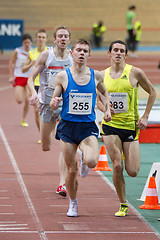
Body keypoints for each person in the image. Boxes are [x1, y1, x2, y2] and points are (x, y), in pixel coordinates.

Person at [50, 39, 111, 217]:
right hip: (67, 128)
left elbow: (104, 92)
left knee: (92, 161)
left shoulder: (96, 75)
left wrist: (107, 109)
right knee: (72, 170)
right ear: (72, 53)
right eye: (79, 50)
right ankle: (73, 203)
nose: (82, 53)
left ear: (89, 54)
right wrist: (54, 102)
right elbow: (54, 101)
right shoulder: (62, 76)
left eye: (85, 51)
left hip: (87, 127)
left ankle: (85, 156)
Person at [97, 40, 156, 217]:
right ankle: (123, 203)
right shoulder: (101, 75)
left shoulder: (135, 73)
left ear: (126, 55)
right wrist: (106, 109)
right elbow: (98, 101)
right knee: (116, 166)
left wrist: (145, 116)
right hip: (110, 127)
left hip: (130, 126)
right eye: (115, 50)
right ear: (109, 53)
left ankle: (125, 153)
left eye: (122, 50)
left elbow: (152, 92)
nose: (118, 53)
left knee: (132, 171)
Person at [27, 26, 73, 197]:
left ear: (69, 40)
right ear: (54, 39)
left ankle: (62, 184)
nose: (63, 38)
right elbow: (30, 79)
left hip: (66, 105)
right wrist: (33, 93)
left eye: (66, 36)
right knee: (46, 146)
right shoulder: (46, 55)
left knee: (65, 144)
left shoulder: (73, 56)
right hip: (46, 105)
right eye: (60, 36)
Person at [23, 29, 48, 141]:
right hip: (35, 85)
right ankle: (42, 136)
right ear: (36, 39)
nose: (41, 39)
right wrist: (30, 65)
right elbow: (23, 69)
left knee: (48, 111)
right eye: (39, 37)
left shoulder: (50, 52)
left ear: (46, 39)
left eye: (43, 37)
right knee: (36, 112)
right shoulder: (31, 53)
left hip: (47, 85)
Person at [9, 33, 33, 127]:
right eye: (25, 42)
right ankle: (20, 91)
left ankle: (23, 119)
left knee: (28, 99)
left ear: (31, 43)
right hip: (19, 76)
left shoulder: (33, 51)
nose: (27, 44)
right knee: (19, 100)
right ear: (22, 43)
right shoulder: (17, 51)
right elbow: (11, 63)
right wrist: (11, 76)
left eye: (28, 42)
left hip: (29, 78)